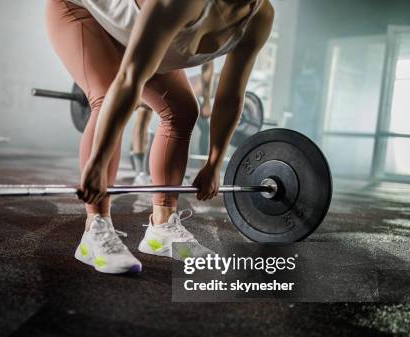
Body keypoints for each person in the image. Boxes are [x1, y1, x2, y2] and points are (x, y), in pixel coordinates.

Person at [46, 0, 274, 274]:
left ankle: (161, 228)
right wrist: (96, 165)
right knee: (106, 97)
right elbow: (130, 78)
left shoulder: (259, 16)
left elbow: (230, 95)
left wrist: (214, 163)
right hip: (80, 10)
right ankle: (95, 231)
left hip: (139, 36)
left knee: (183, 111)